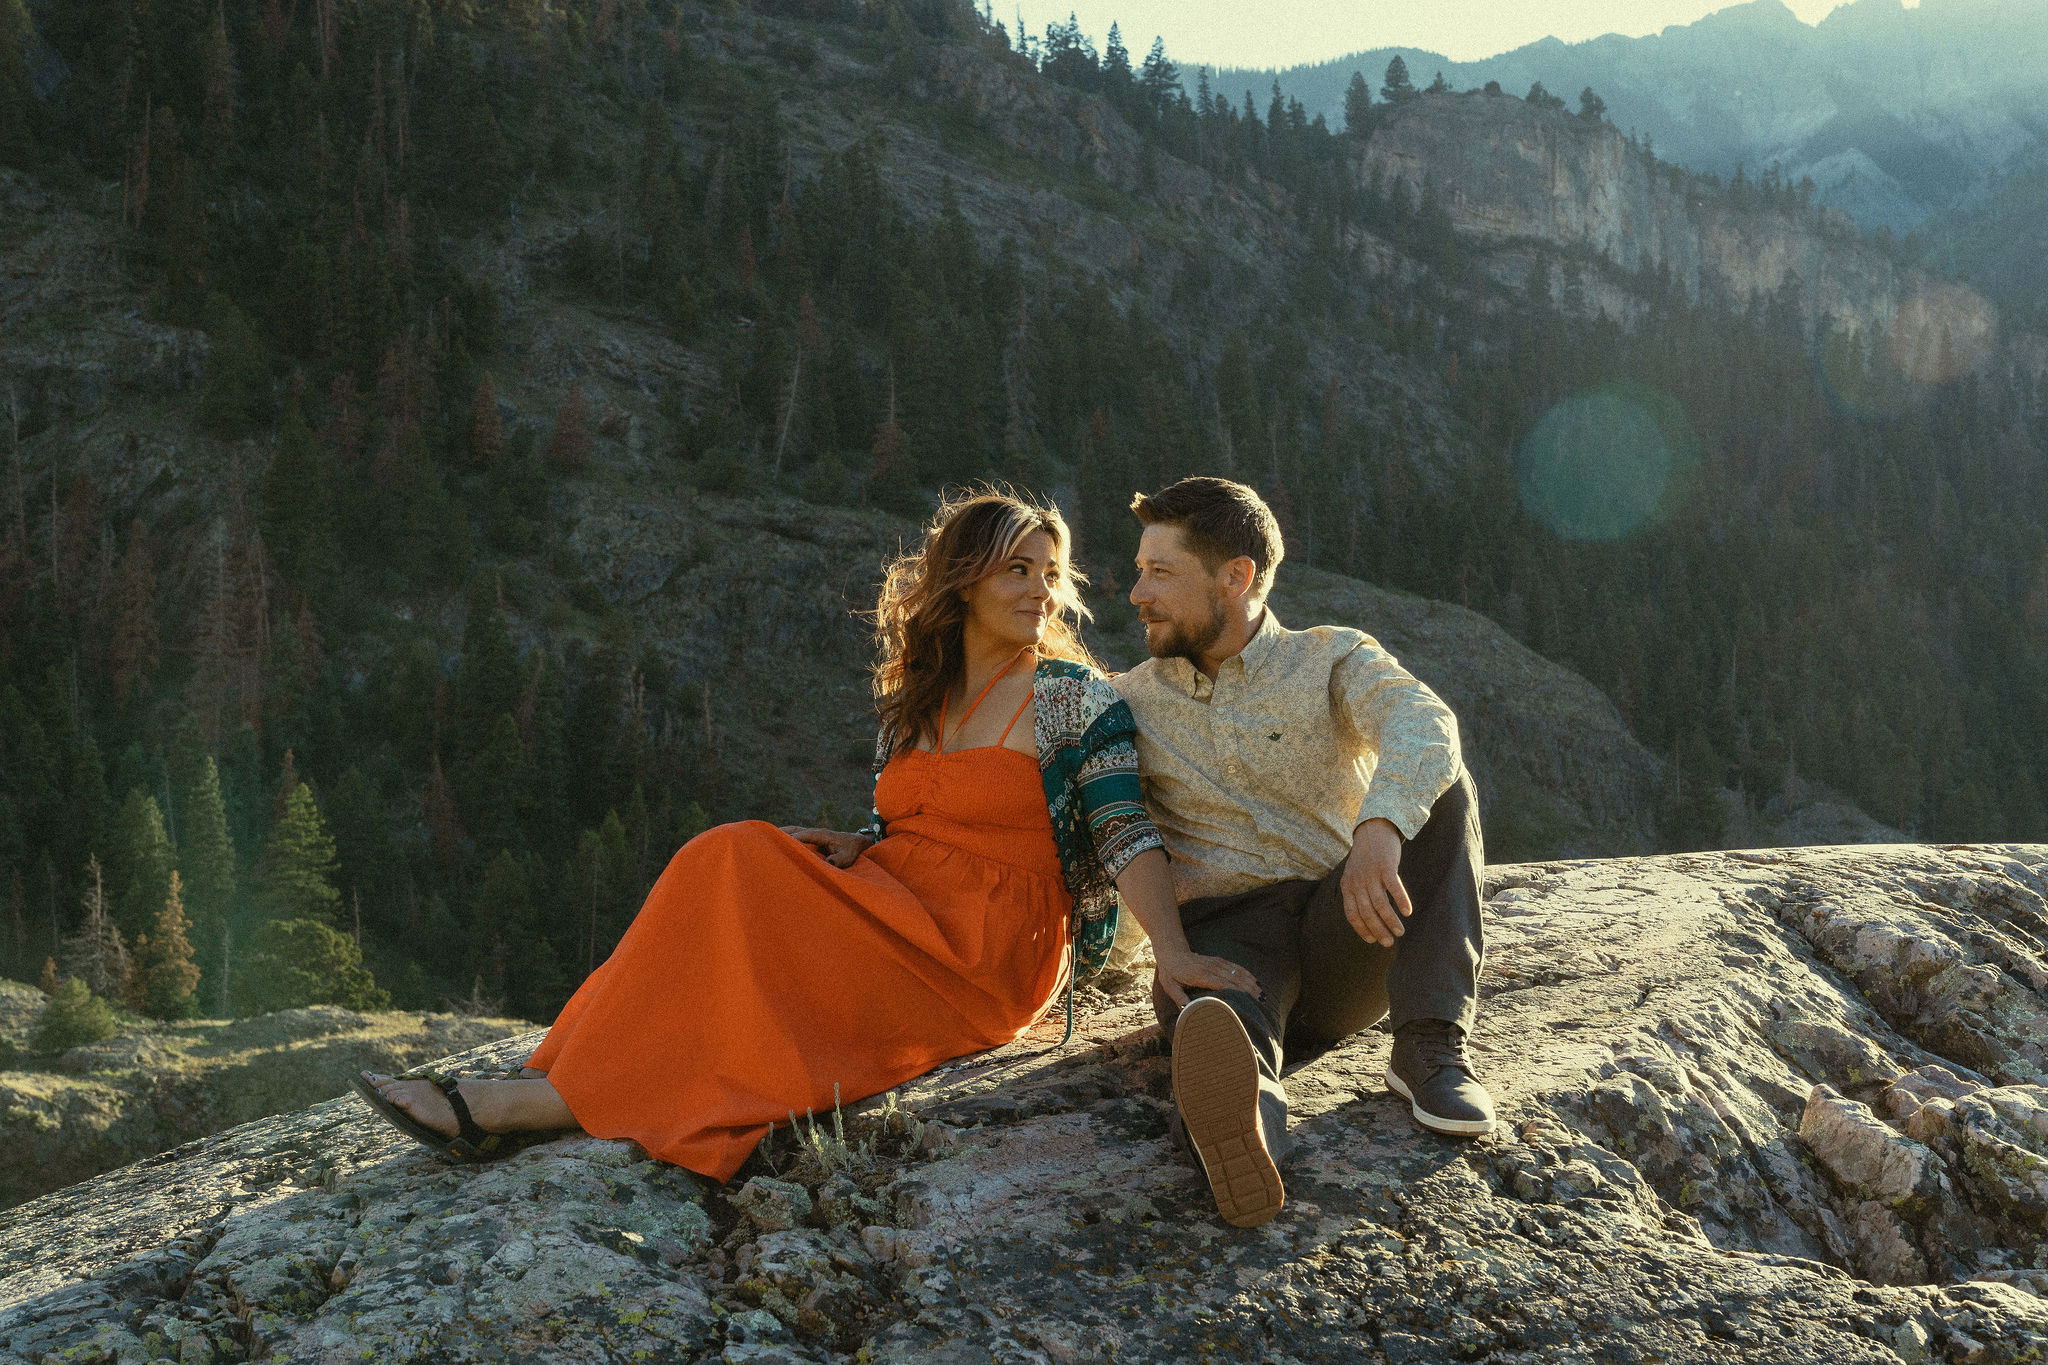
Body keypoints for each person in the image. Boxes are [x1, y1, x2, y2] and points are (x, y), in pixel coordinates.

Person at [356, 489, 1252, 1181]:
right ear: (964, 578)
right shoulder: (921, 698)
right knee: (728, 856)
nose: (1040, 588)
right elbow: (917, 813)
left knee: (751, 927)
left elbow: (1124, 829)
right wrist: (866, 838)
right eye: (1018, 568)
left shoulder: (1072, 697)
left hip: (985, 948)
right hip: (898, 895)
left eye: (1050, 572)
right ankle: (561, 1072)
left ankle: (530, 1105)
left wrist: (1171, 954)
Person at [1115, 476, 1491, 1229]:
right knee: (1214, 1027)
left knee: (1442, 785)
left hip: (1339, 923)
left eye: (1161, 572)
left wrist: (1378, 829)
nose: (1136, 593)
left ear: (1237, 576)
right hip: (1226, 942)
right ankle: (1245, 1132)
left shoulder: (1330, 659)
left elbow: (1424, 721)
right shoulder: (1127, 699)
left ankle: (1429, 1047)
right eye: (1139, 570)